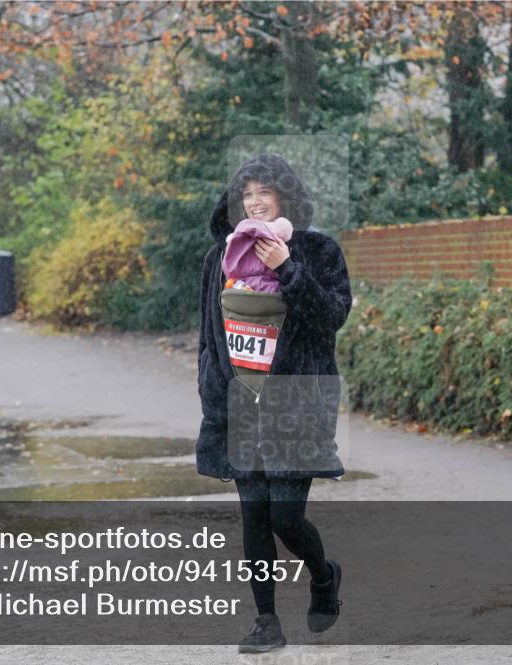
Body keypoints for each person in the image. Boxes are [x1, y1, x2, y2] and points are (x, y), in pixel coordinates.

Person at [195, 153, 353, 653]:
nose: (255, 202)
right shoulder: (219, 258)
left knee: (286, 517)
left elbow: (330, 317)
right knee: (253, 516)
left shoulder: (318, 250)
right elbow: (208, 336)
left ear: (285, 196)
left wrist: (287, 269)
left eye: (265, 191)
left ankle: (324, 577)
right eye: (247, 194)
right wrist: (212, 394)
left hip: (298, 404)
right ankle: (266, 620)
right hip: (242, 404)